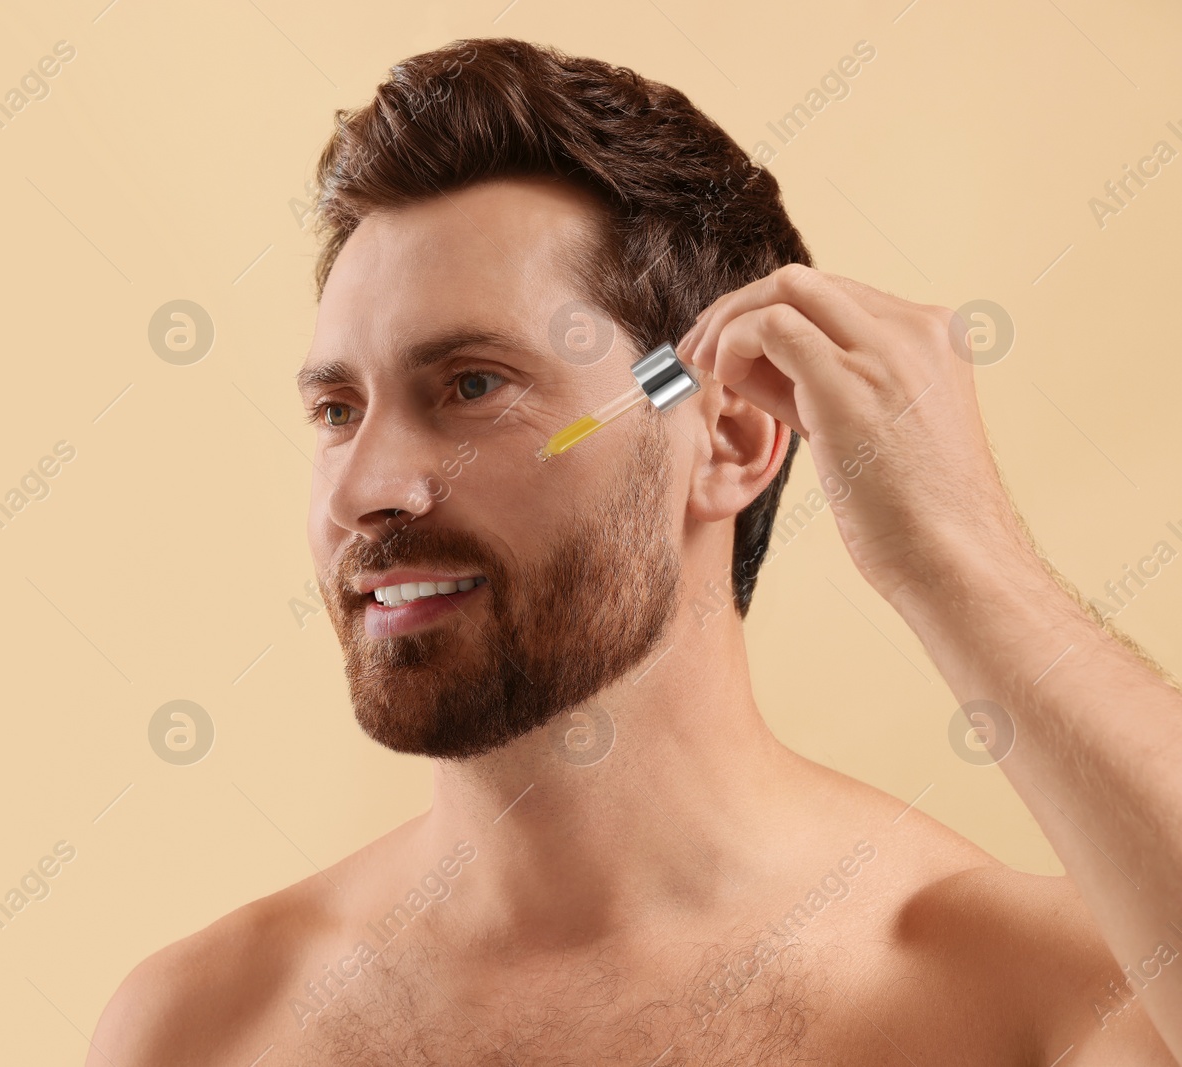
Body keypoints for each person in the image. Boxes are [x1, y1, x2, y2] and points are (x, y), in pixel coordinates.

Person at [86, 37, 1182, 1065]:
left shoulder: (1031, 1001)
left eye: (471, 386)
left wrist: (958, 551)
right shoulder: (206, 1023)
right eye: (336, 408)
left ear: (731, 437)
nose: (369, 488)